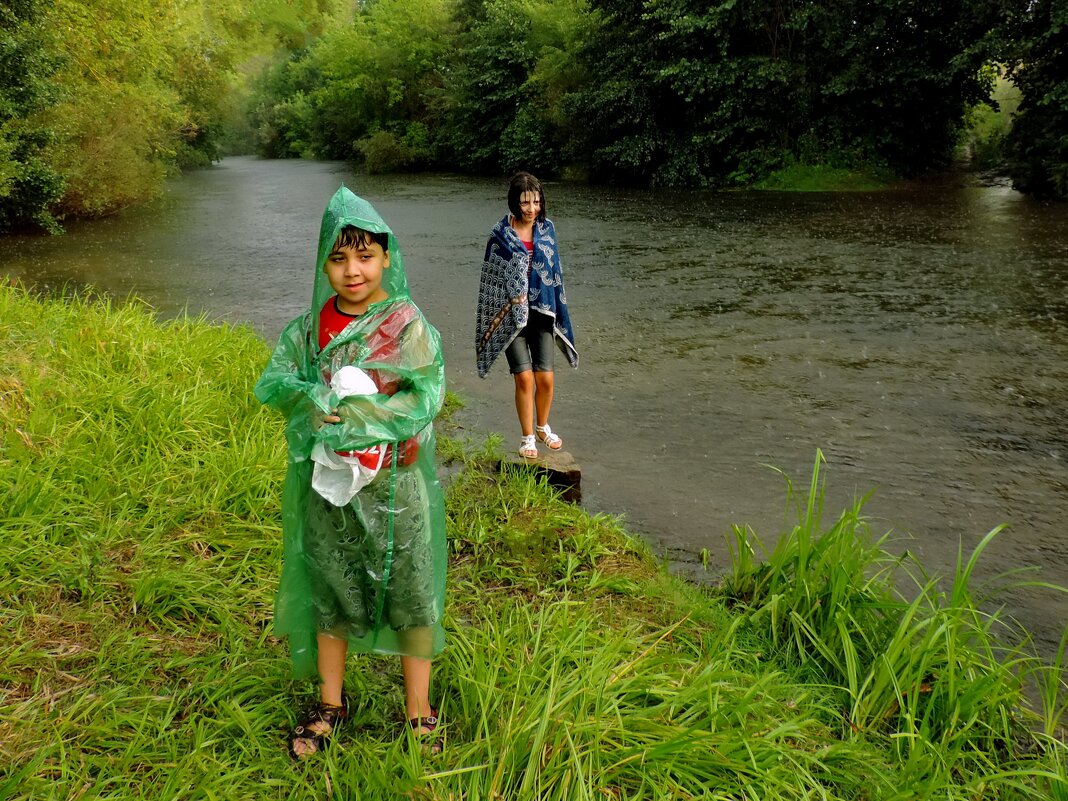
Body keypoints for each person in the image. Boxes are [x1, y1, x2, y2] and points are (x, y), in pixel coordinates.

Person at [254, 186, 447, 759]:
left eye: (365, 255)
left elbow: (427, 393)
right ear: (323, 263)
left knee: (411, 591)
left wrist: (367, 413)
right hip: (329, 488)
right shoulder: (308, 330)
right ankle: (332, 702)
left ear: (387, 257)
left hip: (396, 484)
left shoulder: (407, 325)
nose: (352, 270)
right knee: (330, 588)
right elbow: (276, 382)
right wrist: (313, 397)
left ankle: (419, 711)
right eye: (338, 258)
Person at [475, 172, 578, 458]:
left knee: (545, 379)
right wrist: (509, 299)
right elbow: (491, 281)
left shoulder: (548, 230)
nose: (531, 208)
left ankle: (543, 427)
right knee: (524, 378)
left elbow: (555, 274)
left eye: (536, 201)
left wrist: (556, 309)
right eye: (525, 203)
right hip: (511, 318)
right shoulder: (500, 235)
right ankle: (527, 437)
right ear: (514, 203)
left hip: (542, 313)